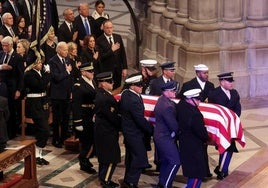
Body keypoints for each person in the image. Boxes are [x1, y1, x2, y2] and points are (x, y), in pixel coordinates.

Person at [178, 63, 214, 178]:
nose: (207, 75)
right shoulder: (188, 85)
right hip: (193, 120)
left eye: (207, 72)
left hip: (204, 120)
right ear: (198, 73)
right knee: (197, 150)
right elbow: (180, 100)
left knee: (203, 148)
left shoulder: (210, 85)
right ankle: (199, 172)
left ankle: (205, 170)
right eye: (204, 73)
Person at [120, 74, 154, 188]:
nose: (142, 87)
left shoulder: (126, 93)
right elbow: (139, 119)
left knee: (131, 157)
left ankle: (127, 179)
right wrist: (151, 129)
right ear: (132, 86)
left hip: (130, 132)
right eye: (139, 85)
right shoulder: (132, 100)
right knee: (140, 158)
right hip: (134, 133)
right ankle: (131, 182)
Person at [208, 72, 241, 180]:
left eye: (232, 81)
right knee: (224, 147)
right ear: (222, 82)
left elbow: (238, 108)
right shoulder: (213, 93)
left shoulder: (235, 93)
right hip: (220, 126)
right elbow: (214, 110)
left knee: (229, 147)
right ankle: (222, 169)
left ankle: (223, 170)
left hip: (231, 126)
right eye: (229, 81)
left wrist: (233, 119)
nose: (231, 83)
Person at [176, 88, 209, 188]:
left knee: (192, 170)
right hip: (194, 146)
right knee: (197, 173)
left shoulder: (181, 106)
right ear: (190, 99)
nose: (199, 101)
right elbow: (201, 132)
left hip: (184, 143)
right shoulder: (195, 114)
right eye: (197, 99)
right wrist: (207, 138)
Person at [94, 71, 121, 188]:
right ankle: (106, 180)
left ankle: (102, 177)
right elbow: (112, 117)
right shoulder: (105, 98)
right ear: (103, 84)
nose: (112, 83)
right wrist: (122, 125)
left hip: (102, 130)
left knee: (104, 157)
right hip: (107, 131)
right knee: (112, 158)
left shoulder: (101, 94)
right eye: (110, 82)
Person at [24, 56, 51, 165]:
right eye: (39, 62)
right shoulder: (29, 74)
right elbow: (40, 86)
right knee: (45, 130)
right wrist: (47, 74)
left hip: (43, 102)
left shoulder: (40, 73)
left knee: (41, 131)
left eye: (41, 62)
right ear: (33, 64)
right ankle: (36, 153)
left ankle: (38, 155)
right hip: (34, 104)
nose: (41, 64)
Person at [153, 80, 180, 188]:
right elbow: (174, 126)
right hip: (165, 137)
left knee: (166, 161)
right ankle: (166, 185)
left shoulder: (162, 100)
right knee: (175, 162)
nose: (175, 93)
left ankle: (162, 183)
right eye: (173, 91)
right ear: (166, 91)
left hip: (161, 136)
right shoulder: (167, 106)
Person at [72, 63, 97, 174]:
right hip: (84, 117)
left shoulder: (92, 82)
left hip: (92, 115)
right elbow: (76, 105)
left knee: (91, 140)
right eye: (89, 71)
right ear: (83, 72)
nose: (92, 73)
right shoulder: (78, 86)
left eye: (92, 71)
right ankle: (83, 161)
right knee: (87, 141)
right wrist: (78, 122)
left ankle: (85, 159)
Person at [49, 41, 73, 148]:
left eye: (67, 50)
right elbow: (56, 77)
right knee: (57, 119)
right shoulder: (52, 61)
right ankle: (56, 140)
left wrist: (71, 91)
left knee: (66, 118)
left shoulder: (67, 60)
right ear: (58, 50)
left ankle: (63, 138)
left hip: (67, 94)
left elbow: (70, 78)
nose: (66, 52)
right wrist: (67, 72)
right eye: (64, 50)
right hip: (57, 95)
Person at [0, 36, 24, 139]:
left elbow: (21, 76)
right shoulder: (1, 54)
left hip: (13, 88)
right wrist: (1, 67)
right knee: (3, 109)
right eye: (2, 45)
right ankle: (4, 133)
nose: (4, 48)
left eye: (6, 46)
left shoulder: (18, 57)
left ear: (11, 45)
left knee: (11, 110)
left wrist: (19, 90)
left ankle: (12, 133)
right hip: (2, 87)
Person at [96, 20, 128, 90]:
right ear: (103, 28)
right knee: (109, 90)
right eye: (107, 28)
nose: (109, 30)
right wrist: (111, 50)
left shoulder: (118, 37)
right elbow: (101, 57)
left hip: (118, 70)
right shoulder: (99, 40)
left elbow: (123, 53)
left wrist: (125, 68)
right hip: (107, 71)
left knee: (118, 88)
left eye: (111, 27)